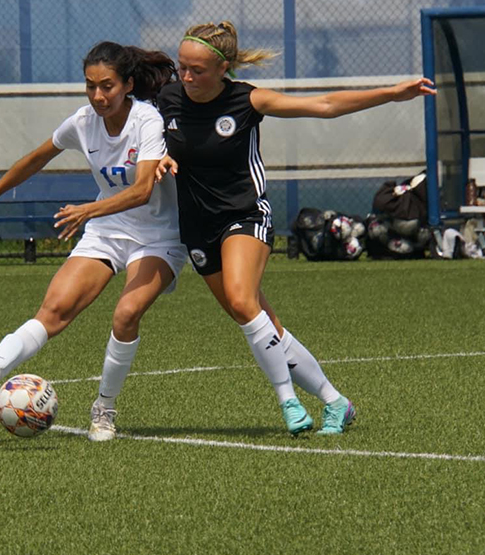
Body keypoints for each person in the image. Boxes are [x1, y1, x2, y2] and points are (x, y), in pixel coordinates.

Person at [156, 21, 436, 435]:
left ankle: (288, 402)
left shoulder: (248, 100)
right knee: (260, 322)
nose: (187, 77)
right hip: (196, 227)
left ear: (223, 69)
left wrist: (394, 93)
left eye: (197, 70)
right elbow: (141, 131)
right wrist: (158, 157)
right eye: (182, 67)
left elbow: (325, 104)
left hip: (245, 215)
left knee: (240, 300)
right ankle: (335, 402)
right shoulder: (168, 97)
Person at [0, 41, 187, 442]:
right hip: (107, 231)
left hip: (158, 236)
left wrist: (87, 211)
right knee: (54, 310)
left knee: (126, 314)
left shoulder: (147, 120)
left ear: (128, 85)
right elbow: (35, 158)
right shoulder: (83, 122)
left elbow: (143, 190)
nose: (98, 96)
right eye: (91, 86)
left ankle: (104, 409)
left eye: (108, 86)